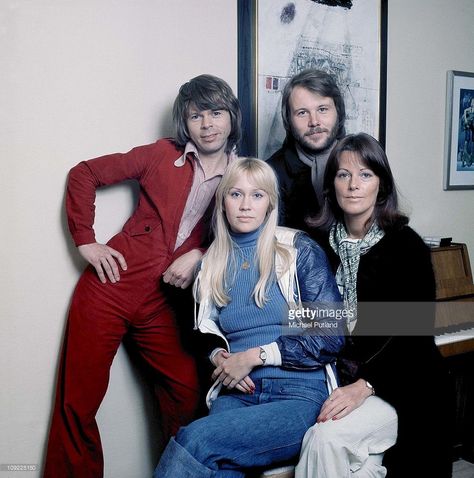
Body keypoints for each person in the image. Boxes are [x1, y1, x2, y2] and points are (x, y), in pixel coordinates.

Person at [42, 74, 242, 478]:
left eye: (216, 113)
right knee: (77, 401)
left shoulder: (244, 175)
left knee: (188, 393)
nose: (207, 124)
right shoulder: (159, 155)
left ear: (232, 118)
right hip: (110, 288)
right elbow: (85, 173)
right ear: (184, 123)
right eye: (196, 115)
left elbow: (250, 237)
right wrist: (86, 240)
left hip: (164, 304)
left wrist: (201, 255)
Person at [153, 157, 345, 477]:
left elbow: (330, 334)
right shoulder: (211, 264)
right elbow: (201, 331)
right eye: (235, 194)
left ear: (270, 204)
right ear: (223, 202)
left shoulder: (297, 251)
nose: (245, 205)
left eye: (257, 195)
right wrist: (220, 356)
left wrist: (254, 356)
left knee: (195, 439)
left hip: (298, 395)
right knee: (222, 470)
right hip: (238, 394)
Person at [296, 133, 454, 478]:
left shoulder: (405, 246)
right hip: (335, 379)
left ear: (381, 185)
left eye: (365, 174)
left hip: (404, 383)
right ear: (332, 186)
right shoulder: (318, 246)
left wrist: (365, 385)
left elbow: (412, 336)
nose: (353, 185)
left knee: (326, 440)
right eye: (343, 175)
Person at [266, 69, 346, 231]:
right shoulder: (270, 173)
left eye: (322, 109)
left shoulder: (363, 161)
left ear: (338, 111)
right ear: (288, 120)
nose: (314, 122)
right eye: (302, 113)